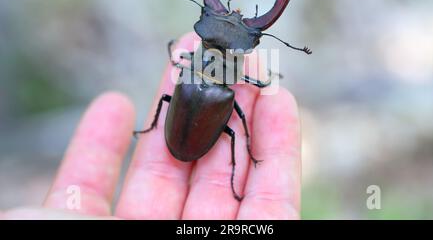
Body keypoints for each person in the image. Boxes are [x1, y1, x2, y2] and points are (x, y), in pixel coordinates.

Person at [1, 33, 301, 220]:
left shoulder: (189, 75)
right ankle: (235, 162)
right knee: (236, 130)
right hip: (189, 137)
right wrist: (250, 145)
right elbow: (257, 88)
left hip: (183, 135)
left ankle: (223, 160)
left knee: (220, 120)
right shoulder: (224, 90)